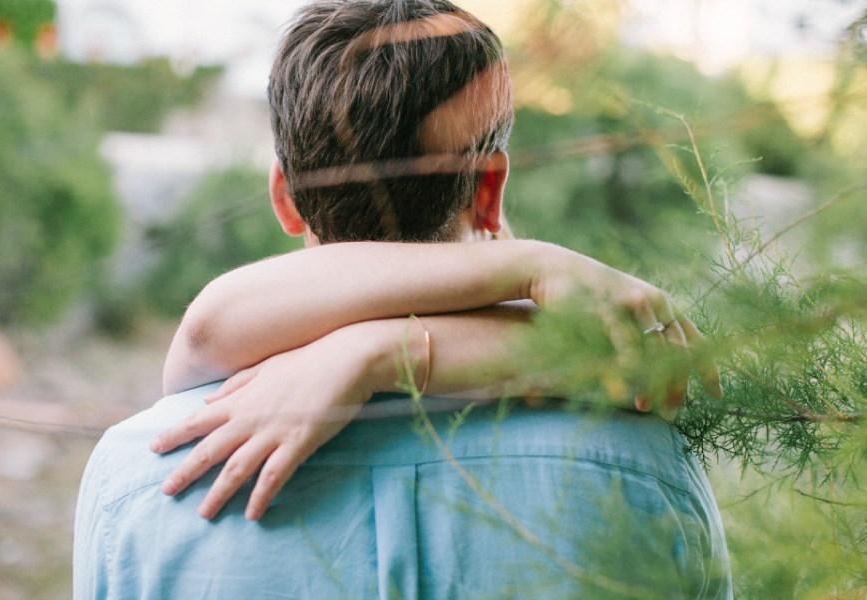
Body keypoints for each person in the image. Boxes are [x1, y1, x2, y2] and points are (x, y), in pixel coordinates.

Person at [73, 1, 731, 598]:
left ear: (284, 196)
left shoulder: (144, 472)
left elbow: (208, 329)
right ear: (488, 190)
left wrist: (381, 349)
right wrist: (530, 265)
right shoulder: (642, 460)